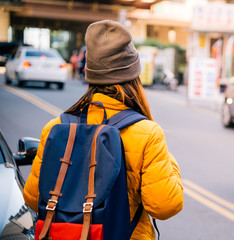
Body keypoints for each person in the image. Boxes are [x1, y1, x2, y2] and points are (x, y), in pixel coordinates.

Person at [23, 20, 184, 239]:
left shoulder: (56, 127)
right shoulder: (147, 133)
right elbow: (165, 206)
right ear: (133, 76)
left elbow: (33, 199)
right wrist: (170, 161)